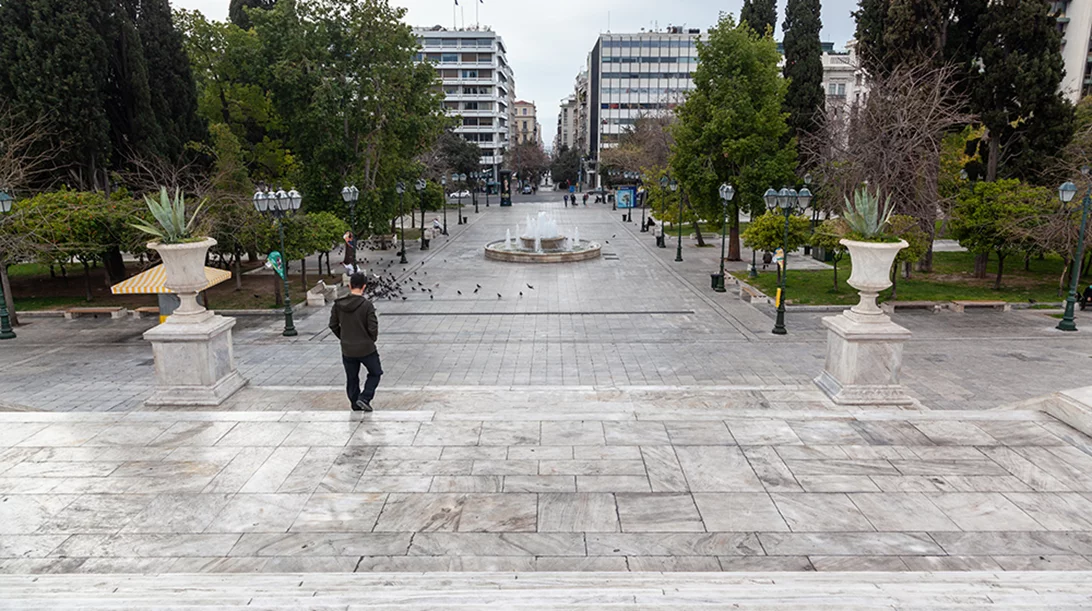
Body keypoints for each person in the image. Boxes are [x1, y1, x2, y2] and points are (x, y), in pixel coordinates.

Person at [329, 272, 381, 411]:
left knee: (352, 377)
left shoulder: (338, 304)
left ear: (349, 285)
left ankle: (354, 403)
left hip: (347, 348)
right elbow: (373, 327)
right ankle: (365, 398)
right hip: (366, 348)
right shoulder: (367, 305)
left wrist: (344, 337)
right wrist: (371, 339)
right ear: (364, 287)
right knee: (375, 372)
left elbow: (333, 325)